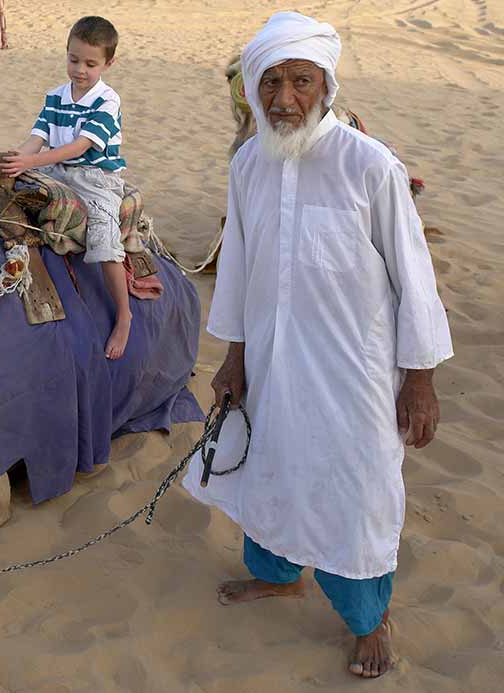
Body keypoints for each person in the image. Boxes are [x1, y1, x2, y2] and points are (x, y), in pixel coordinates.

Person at [182, 11, 452, 679]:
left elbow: (414, 275)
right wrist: (234, 355)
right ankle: (279, 575)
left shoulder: (371, 166)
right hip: (272, 358)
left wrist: (418, 377)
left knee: (356, 488)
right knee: (271, 465)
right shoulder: (250, 163)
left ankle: (368, 619)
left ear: (326, 85)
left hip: (355, 370)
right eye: (270, 82)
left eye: (300, 81)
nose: (284, 99)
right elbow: (239, 264)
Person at [0, 16, 131, 360]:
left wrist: (30, 162)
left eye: (90, 63)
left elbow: (80, 148)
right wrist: (13, 160)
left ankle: (124, 316)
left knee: (103, 236)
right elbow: (36, 140)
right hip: (55, 170)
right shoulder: (55, 97)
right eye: (74, 60)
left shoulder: (107, 101)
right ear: (66, 54)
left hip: (95, 178)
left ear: (107, 63)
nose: (80, 70)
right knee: (4, 201)